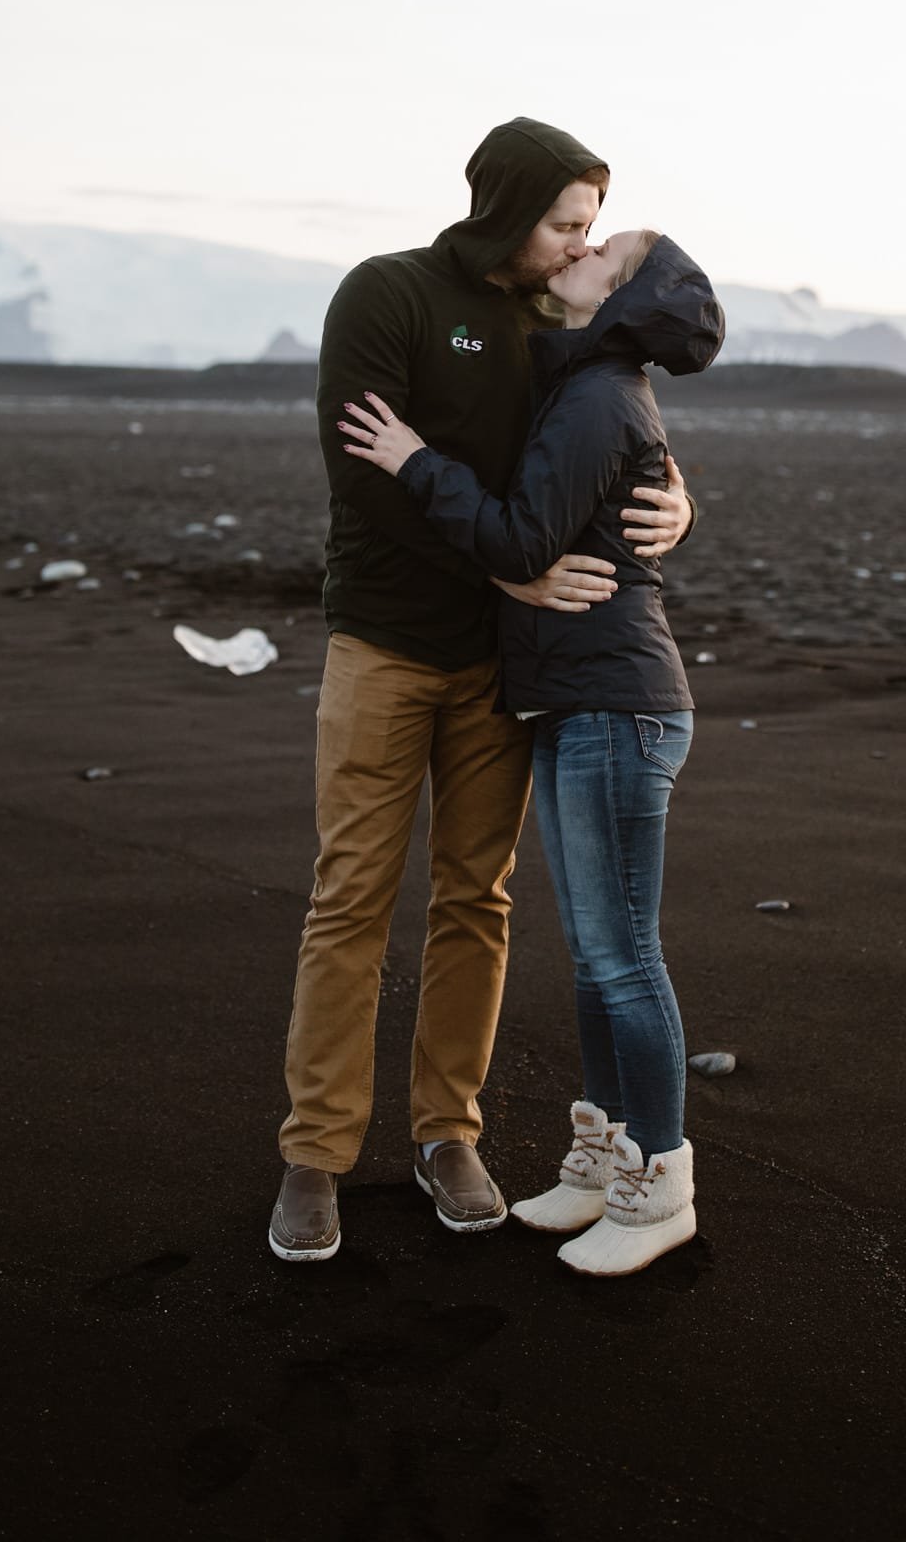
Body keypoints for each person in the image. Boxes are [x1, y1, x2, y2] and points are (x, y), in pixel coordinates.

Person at [270, 121, 697, 1264]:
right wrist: (515, 561)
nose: (579, 245)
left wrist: (682, 498)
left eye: (592, 228)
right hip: (386, 642)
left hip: (508, 668)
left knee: (478, 898)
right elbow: (366, 477)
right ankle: (314, 1155)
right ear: (507, 207)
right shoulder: (388, 294)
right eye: (566, 221)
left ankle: (447, 1135)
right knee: (351, 894)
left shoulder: (554, 321)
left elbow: (615, 427)